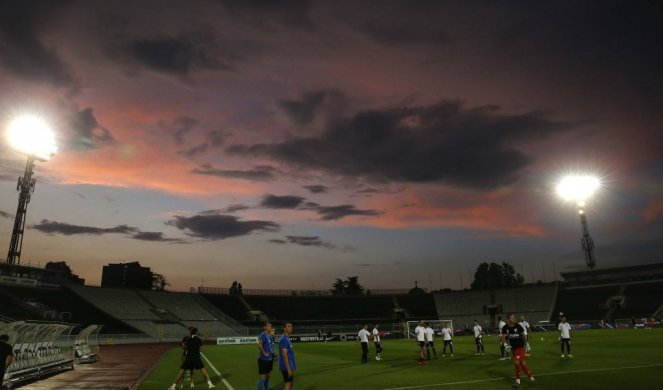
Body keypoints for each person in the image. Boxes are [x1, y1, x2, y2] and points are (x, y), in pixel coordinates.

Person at [501, 313, 535, 388]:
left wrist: (527, 344)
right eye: (512, 318)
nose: (514, 319)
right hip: (513, 349)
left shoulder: (518, 326)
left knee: (516, 362)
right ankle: (531, 377)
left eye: (514, 317)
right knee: (522, 363)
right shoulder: (505, 328)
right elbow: (503, 338)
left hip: (520, 347)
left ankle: (517, 381)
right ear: (508, 319)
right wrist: (505, 345)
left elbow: (523, 335)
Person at [257, 322, 275, 390]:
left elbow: (270, 348)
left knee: (268, 377)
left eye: (270, 325)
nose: (270, 327)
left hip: (269, 360)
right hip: (263, 360)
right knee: (262, 378)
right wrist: (264, 353)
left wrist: (274, 355)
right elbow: (259, 345)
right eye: (268, 325)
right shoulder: (263, 335)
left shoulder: (270, 336)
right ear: (265, 327)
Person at [279, 322, 296, 390]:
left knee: (290, 383)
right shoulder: (284, 339)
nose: (291, 328)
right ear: (284, 329)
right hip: (286, 366)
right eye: (289, 326)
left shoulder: (286, 338)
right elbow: (284, 355)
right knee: (288, 384)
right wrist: (288, 369)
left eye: (291, 326)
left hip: (289, 365)